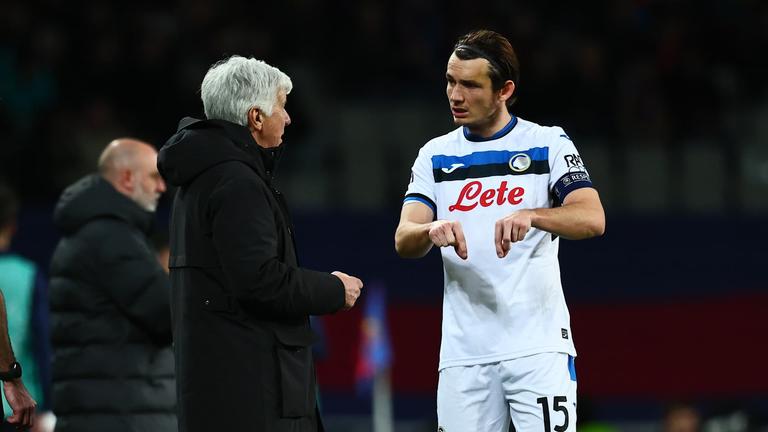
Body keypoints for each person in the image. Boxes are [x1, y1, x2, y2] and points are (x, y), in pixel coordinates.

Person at [395, 30, 605, 432]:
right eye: (450, 81)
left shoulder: (547, 143)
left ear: (504, 89)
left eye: (470, 85)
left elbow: (592, 217)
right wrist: (429, 230)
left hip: (537, 346)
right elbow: (404, 238)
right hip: (464, 353)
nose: (455, 95)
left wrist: (534, 215)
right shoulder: (435, 155)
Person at [157, 55, 363, 432]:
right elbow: (259, 281)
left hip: (222, 388)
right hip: (254, 395)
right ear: (255, 117)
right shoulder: (237, 182)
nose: (288, 118)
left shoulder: (200, 177)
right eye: (282, 107)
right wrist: (333, 289)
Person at [49, 139, 176, 432]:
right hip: (121, 415)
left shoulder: (91, 234)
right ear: (127, 178)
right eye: (154, 177)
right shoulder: (111, 238)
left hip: (104, 411)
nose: (161, 188)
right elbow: (168, 313)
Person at [0, 183, 51, 432]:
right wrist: (47, 406)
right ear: (12, 224)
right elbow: (42, 342)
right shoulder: (28, 275)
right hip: (18, 409)